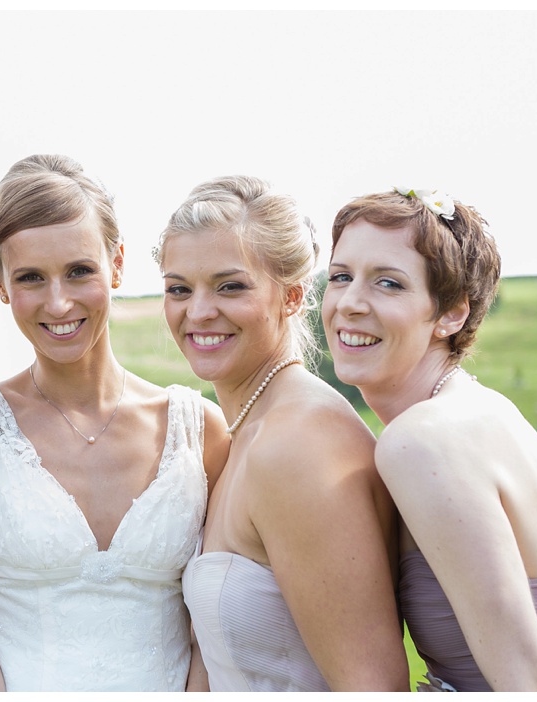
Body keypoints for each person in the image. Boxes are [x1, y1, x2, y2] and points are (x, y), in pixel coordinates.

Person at [0, 154, 230, 691]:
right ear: (0, 285)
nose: (58, 301)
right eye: (30, 278)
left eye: (79, 271)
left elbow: (211, 634)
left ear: (116, 264)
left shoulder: (199, 428)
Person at [321, 187, 537, 691]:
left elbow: (533, 687)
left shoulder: (422, 440)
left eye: (389, 283)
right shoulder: (475, 411)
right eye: (340, 277)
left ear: (451, 314)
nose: (350, 303)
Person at [156, 175, 409, 692]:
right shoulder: (249, 426)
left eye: (230, 286)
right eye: (179, 288)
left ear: (292, 296)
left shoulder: (301, 444)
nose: (198, 311)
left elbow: (372, 684)